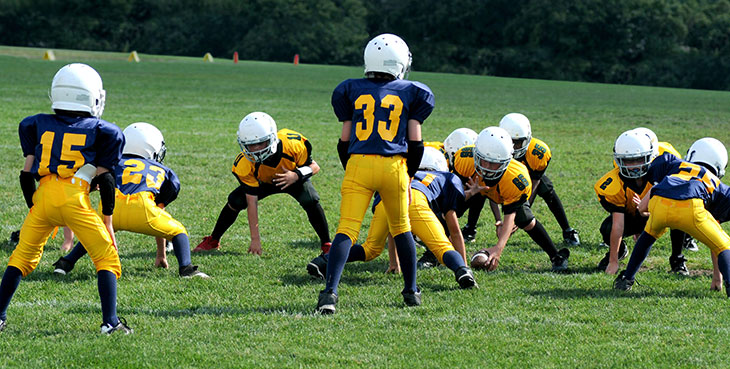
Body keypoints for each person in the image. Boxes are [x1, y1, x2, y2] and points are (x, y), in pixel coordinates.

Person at [0, 63, 131, 334]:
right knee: (106, 258)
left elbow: (26, 176)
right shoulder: (104, 131)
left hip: (44, 196)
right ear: (92, 96)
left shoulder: (35, 123)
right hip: (75, 199)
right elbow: (106, 180)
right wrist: (107, 220)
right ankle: (110, 322)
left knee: (21, 258)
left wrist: (35, 208)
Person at [316, 33, 434, 314]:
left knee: (346, 230)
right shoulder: (412, 91)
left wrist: (354, 169)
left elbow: (343, 141)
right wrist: (407, 174)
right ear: (400, 62)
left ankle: (330, 293)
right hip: (394, 166)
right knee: (402, 229)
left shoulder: (351, 89)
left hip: (358, 162)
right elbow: (416, 143)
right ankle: (411, 291)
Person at [52, 122, 208, 278]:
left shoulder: (111, 161)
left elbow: (88, 182)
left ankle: (65, 263)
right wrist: (161, 254)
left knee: (94, 234)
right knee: (178, 231)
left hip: (111, 209)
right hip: (142, 208)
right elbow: (160, 208)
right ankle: (186, 269)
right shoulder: (163, 170)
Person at [308, 147, 476, 289]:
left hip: (387, 199)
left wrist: (394, 263)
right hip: (416, 201)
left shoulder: (403, 172)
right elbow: (454, 230)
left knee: (370, 248)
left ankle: (323, 261)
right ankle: (461, 271)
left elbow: (393, 229)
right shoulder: (446, 178)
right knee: (441, 247)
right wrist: (464, 264)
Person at [193, 112, 331, 255]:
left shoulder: (293, 144)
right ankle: (213, 240)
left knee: (311, 198)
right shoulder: (245, 163)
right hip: (263, 183)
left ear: (272, 137)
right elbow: (251, 202)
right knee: (235, 200)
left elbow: (314, 166)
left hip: (291, 177)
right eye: (250, 145)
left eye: (260, 143)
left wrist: (296, 175)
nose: (255, 150)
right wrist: (255, 239)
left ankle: (327, 244)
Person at [614, 137, 730, 294]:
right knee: (724, 246)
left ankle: (627, 278)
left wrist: (646, 210)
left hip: (661, 202)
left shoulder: (674, 163)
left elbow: (646, 201)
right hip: (690, 206)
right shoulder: (716, 183)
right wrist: (718, 277)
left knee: (647, 236)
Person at [462, 127, 570, 272]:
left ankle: (556, 256)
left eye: (493, 163)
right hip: (476, 186)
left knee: (525, 218)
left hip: (504, 188)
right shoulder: (464, 159)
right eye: (483, 160)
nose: (487, 167)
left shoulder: (517, 177)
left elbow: (510, 213)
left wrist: (498, 248)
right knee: (453, 204)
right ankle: (434, 252)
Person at [594, 129, 689, 274]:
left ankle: (677, 260)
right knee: (608, 227)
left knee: (679, 215)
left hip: (662, 213)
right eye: (628, 161)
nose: (633, 166)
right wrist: (613, 261)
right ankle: (619, 252)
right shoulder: (614, 184)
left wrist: (646, 208)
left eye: (638, 159)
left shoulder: (663, 171)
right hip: (632, 216)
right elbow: (618, 225)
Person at [499, 113, 580, 246]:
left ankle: (567, 230)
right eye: (511, 141)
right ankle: (470, 229)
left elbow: (535, 183)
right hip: (504, 180)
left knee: (545, 186)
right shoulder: (495, 150)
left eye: (518, 142)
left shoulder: (538, 152)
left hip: (527, 180)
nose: (514, 147)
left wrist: (524, 211)